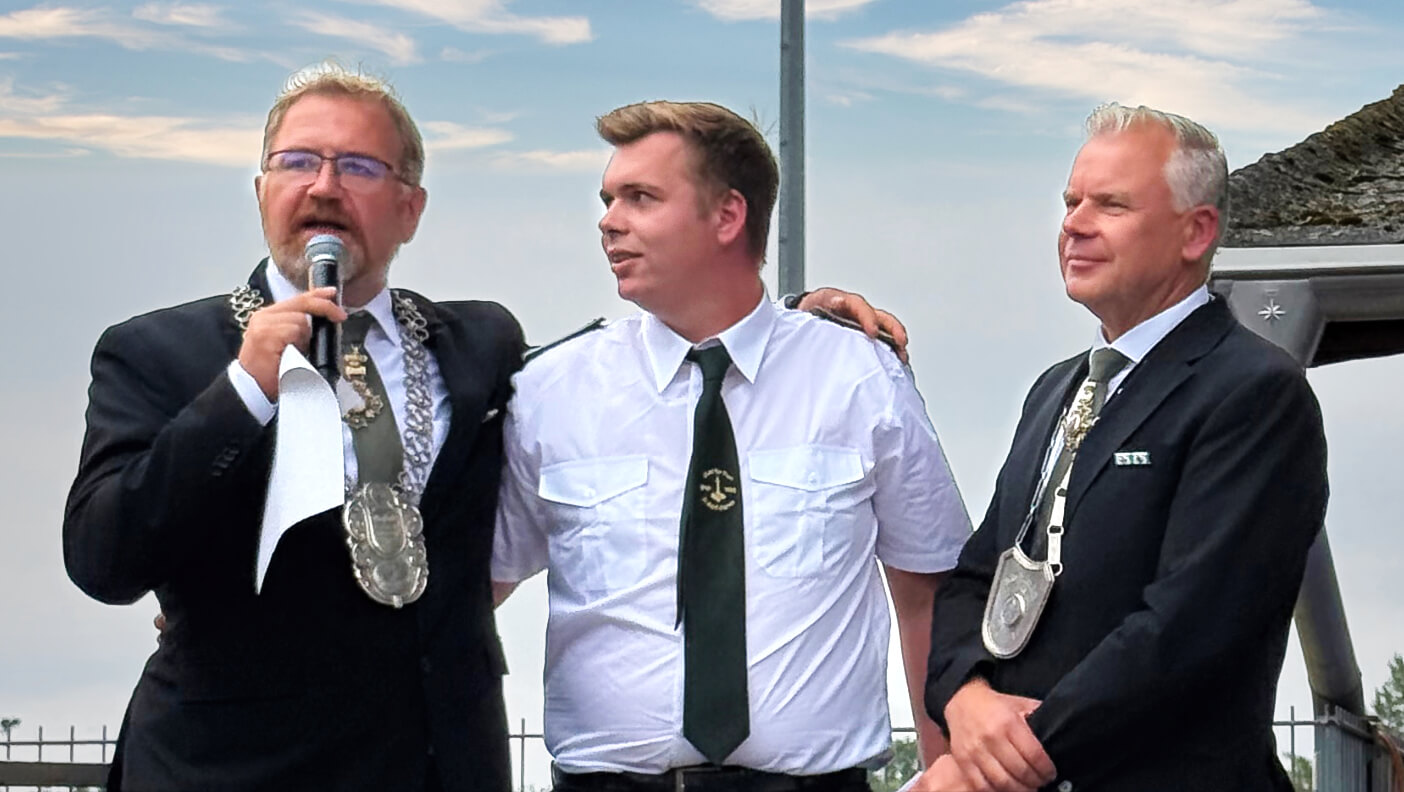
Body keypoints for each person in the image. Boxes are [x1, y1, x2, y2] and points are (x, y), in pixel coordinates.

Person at [64, 64, 902, 791]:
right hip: (226, 767)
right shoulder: (159, 353)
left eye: (358, 166)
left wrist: (788, 325)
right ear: (260, 192)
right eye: (297, 162)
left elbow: (640, 380)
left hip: (432, 766)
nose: (323, 186)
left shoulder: (477, 347)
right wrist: (242, 391)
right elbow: (105, 558)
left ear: (409, 208)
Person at [491, 100, 972, 792]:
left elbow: (928, 593)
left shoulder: (858, 377)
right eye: (607, 199)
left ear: (727, 216)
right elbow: (469, 594)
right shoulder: (551, 391)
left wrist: (947, 770)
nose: (609, 220)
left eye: (640, 197)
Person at [916, 104, 1329, 792]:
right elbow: (976, 577)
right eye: (1070, 202)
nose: (1075, 224)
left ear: (1197, 232)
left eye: (1110, 205)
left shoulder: (1254, 393)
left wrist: (1006, 762)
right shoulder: (1055, 390)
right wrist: (965, 698)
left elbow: (1188, 629)